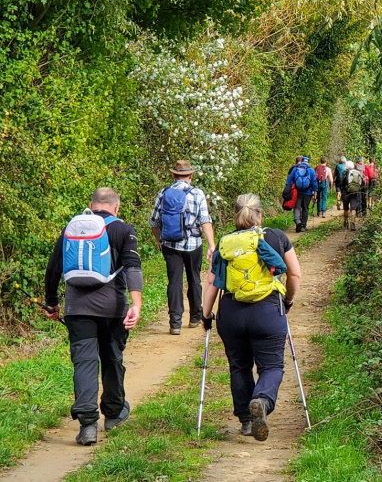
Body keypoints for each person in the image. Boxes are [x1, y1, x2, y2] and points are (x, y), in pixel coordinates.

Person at [44, 188, 143, 446]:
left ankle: (88, 425)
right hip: (113, 308)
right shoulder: (123, 229)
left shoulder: (72, 228)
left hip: (77, 308)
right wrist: (136, 303)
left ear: (91, 205)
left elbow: (54, 268)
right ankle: (113, 413)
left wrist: (52, 303)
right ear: (116, 207)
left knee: (85, 362)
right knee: (112, 357)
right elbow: (133, 266)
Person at [202, 193, 301, 441]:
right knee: (272, 365)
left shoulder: (225, 243)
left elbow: (213, 282)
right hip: (267, 310)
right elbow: (294, 274)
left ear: (236, 215)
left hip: (231, 312)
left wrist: (206, 315)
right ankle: (262, 401)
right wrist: (288, 300)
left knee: (239, 366)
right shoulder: (277, 237)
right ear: (260, 215)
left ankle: (246, 421)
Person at [149, 160, 216, 335]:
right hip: (193, 244)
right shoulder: (197, 193)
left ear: (173, 175)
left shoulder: (163, 193)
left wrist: (159, 240)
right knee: (194, 279)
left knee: (174, 281)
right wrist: (211, 245)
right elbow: (205, 220)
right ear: (191, 176)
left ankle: (175, 323)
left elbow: (154, 222)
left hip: (171, 244)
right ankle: (195, 317)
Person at [285, 156, 317, 233]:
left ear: (302, 162)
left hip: (297, 192)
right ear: (308, 162)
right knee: (305, 208)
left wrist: (288, 190)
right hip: (308, 193)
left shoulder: (295, 169)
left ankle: (298, 222)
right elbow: (314, 182)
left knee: (297, 207)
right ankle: (303, 226)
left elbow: (289, 181)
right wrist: (315, 192)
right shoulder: (311, 170)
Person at [341, 160, 364, 231]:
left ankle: (345, 222)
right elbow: (362, 183)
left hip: (346, 192)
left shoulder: (344, 173)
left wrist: (340, 190)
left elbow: (341, 183)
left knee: (346, 208)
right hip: (355, 193)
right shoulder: (357, 172)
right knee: (353, 208)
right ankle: (353, 223)